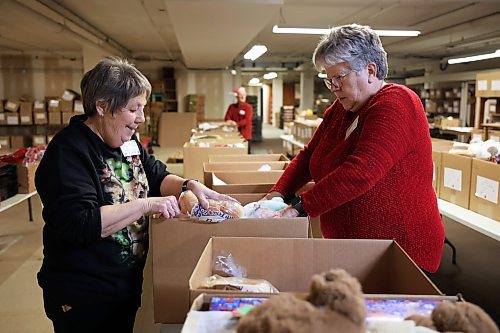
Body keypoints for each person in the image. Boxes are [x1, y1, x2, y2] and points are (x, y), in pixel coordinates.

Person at [35, 57, 234, 332]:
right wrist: (146, 205)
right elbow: (81, 223)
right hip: (84, 293)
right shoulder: (69, 153)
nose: (141, 118)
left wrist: (188, 185)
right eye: (133, 109)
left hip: (123, 284)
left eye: (142, 108)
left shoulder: (126, 141)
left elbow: (156, 174)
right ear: (102, 106)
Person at [266, 24, 445, 273]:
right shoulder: (340, 110)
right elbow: (308, 157)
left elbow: (361, 171)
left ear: (370, 70)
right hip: (356, 249)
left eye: (339, 77)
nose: (334, 87)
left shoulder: (397, 103)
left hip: (398, 251)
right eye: (329, 80)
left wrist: (298, 208)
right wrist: (277, 193)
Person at [225, 87, 253, 151]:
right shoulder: (232, 107)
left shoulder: (248, 107)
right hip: (233, 134)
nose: (242, 96)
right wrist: (229, 121)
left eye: (244, 94)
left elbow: (247, 120)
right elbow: (227, 117)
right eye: (240, 94)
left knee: (245, 154)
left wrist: (236, 124)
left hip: (245, 135)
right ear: (237, 96)